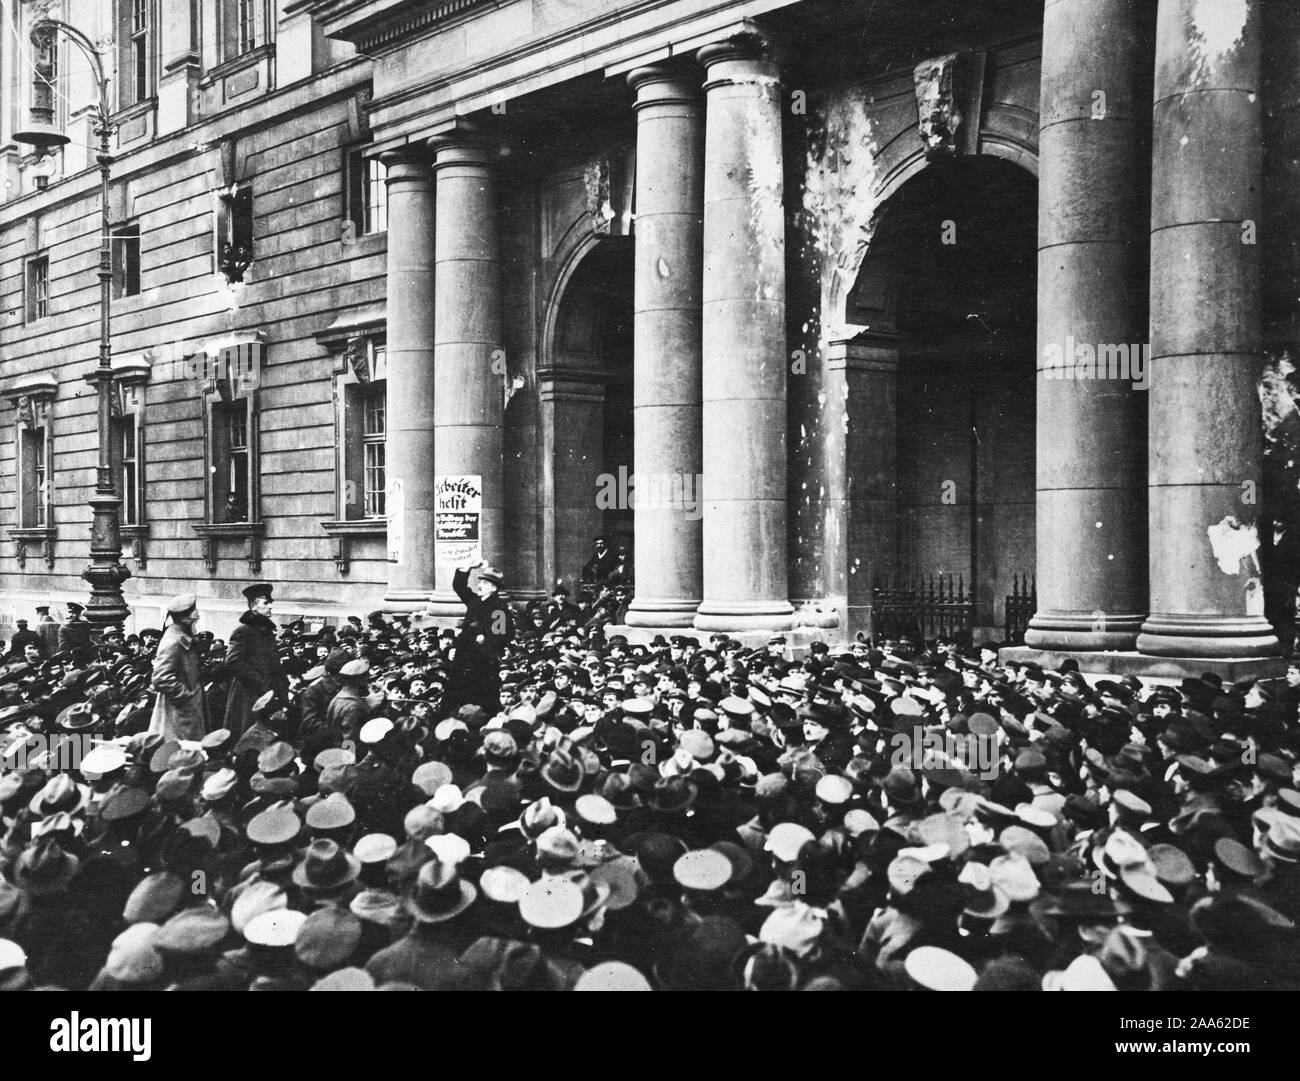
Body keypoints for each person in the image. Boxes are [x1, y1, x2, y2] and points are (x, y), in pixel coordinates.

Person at [441, 560, 513, 715]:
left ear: (494, 588)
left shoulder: (498, 608)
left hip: (482, 663)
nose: (480, 585)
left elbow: (499, 637)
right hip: (464, 659)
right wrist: (466, 569)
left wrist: (481, 639)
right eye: (481, 582)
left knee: (481, 701)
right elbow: (459, 587)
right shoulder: (475, 602)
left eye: (485, 583)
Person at [223, 583, 286, 735]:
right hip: (249, 694)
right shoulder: (243, 630)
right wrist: (260, 682)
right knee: (249, 733)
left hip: (267, 691)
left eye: (270, 602)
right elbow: (233, 661)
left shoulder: (265, 630)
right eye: (265, 603)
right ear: (253, 607)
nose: (270, 606)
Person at [147, 594, 206, 742]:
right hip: (179, 714)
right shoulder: (174, 641)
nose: (197, 615)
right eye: (194, 612)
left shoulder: (181, 637)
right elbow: (161, 678)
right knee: (181, 753)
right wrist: (186, 698)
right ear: (185, 618)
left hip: (185, 711)